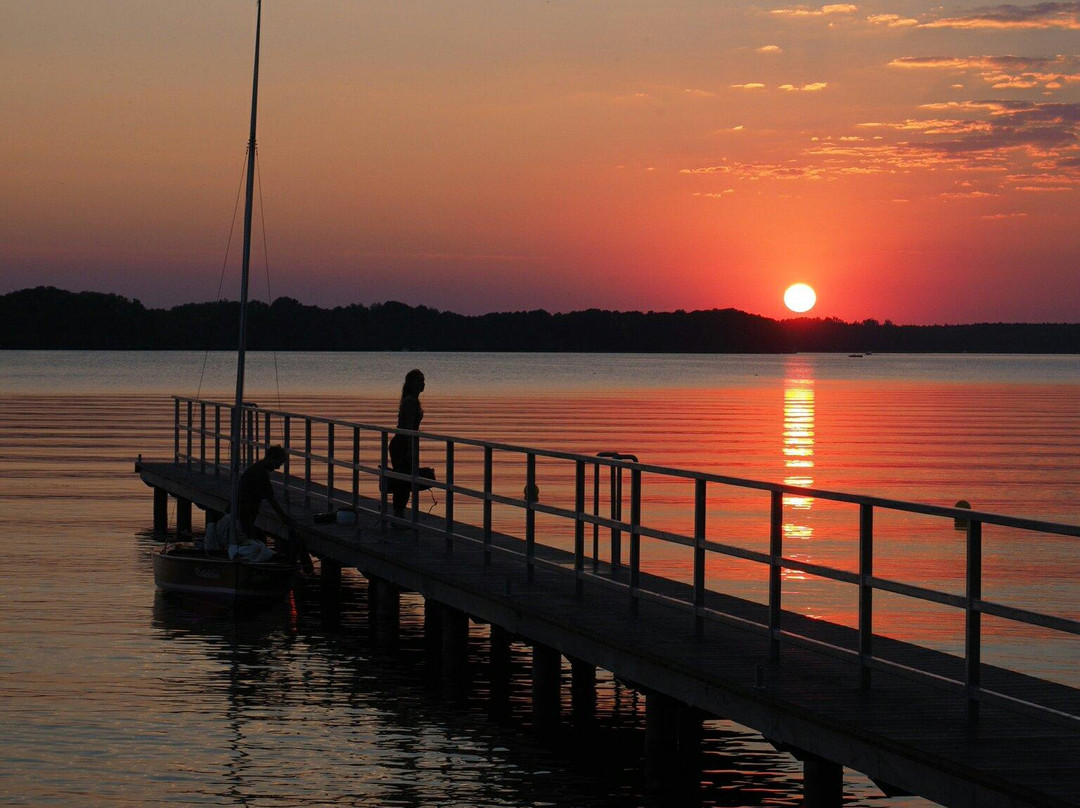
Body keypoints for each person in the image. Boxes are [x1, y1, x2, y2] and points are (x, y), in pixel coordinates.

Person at [389, 369, 425, 524]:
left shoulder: (411, 399)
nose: (422, 384)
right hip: (403, 444)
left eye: (423, 380)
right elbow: (409, 428)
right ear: (410, 383)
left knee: (404, 480)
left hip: (403, 443)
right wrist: (411, 452)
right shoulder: (410, 401)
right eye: (419, 381)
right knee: (403, 481)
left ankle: (399, 516)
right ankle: (398, 517)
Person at [237, 444, 292, 544]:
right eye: (279, 463)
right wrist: (283, 517)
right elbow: (271, 499)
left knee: (256, 539)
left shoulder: (257, 468)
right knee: (251, 539)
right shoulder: (261, 473)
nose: (278, 467)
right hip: (243, 513)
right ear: (271, 458)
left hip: (244, 511)